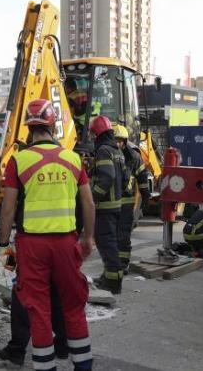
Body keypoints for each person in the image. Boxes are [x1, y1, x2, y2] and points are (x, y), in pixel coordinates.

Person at [0, 98, 96, 371]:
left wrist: (4, 246)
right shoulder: (73, 158)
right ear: (52, 124)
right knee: (73, 305)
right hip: (66, 243)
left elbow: (8, 209)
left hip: (30, 246)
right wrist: (88, 238)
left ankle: (45, 367)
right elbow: (88, 203)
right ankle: (83, 365)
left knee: (37, 308)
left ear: (29, 128)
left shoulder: (19, 161)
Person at [89, 116, 129, 295]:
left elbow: (107, 176)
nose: (91, 137)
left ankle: (113, 283)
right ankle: (108, 276)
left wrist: (93, 196)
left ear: (97, 133)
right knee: (109, 243)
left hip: (105, 206)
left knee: (107, 244)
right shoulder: (117, 151)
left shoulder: (103, 150)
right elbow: (125, 177)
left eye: (92, 134)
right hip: (116, 205)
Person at [113, 125, 152, 271]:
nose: (117, 144)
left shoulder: (133, 157)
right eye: (115, 140)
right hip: (111, 203)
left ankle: (123, 265)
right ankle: (113, 263)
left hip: (126, 203)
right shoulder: (107, 154)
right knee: (111, 235)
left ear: (125, 141)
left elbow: (142, 177)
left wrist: (146, 195)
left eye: (120, 141)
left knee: (123, 235)